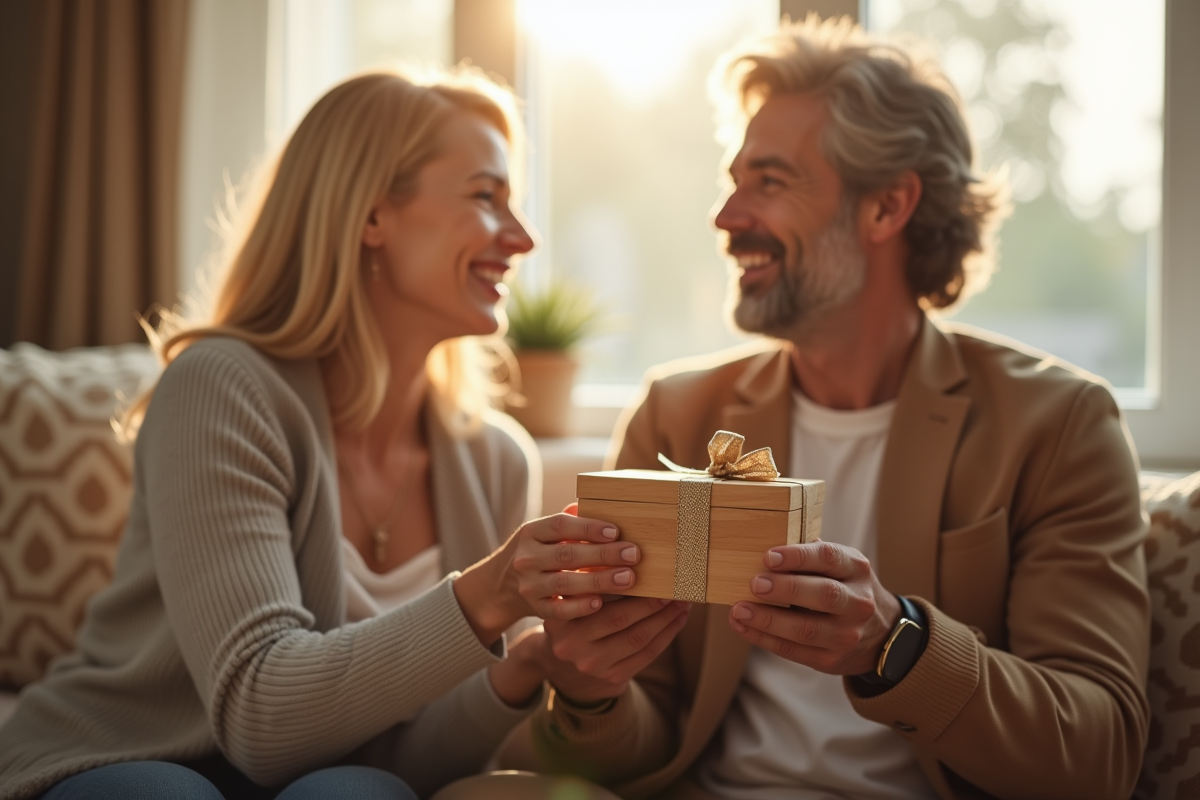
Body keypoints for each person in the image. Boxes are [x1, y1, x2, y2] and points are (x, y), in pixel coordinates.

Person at [513, 15, 1150, 800]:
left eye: (770, 182)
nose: (725, 216)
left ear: (887, 207)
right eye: (733, 180)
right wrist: (589, 690)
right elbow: (638, 746)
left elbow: (1097, 754)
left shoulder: (1057, 425)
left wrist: (896, 645)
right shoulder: (677, 413)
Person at [0, 68, 648, 800]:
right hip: (124, 755)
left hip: (318, 778)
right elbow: (260, 716)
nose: (524, 238)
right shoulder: (222, 388)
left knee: (359, 792)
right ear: (371, 215)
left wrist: (520, 672)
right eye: (484, 197)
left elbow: (407, 756)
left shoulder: (495, 459)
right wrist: (489, 594)